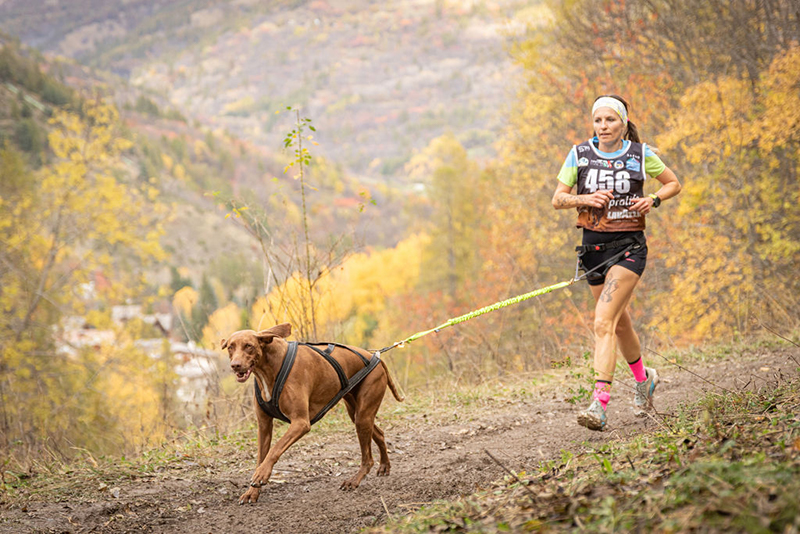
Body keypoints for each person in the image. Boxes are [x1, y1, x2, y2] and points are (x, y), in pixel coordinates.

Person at [552, 95, 681, 431]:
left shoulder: (640, 154)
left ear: (623, 123)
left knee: (602, 322)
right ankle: (644, 379)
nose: (603, 126)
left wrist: (653, 199)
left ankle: (599, 403)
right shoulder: (579, 154)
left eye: (610, 120)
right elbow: (558, 199)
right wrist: (585, 198)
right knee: (618, 324)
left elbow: (673, 183)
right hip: (593, 251)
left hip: (629, 249)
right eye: (598, 120)